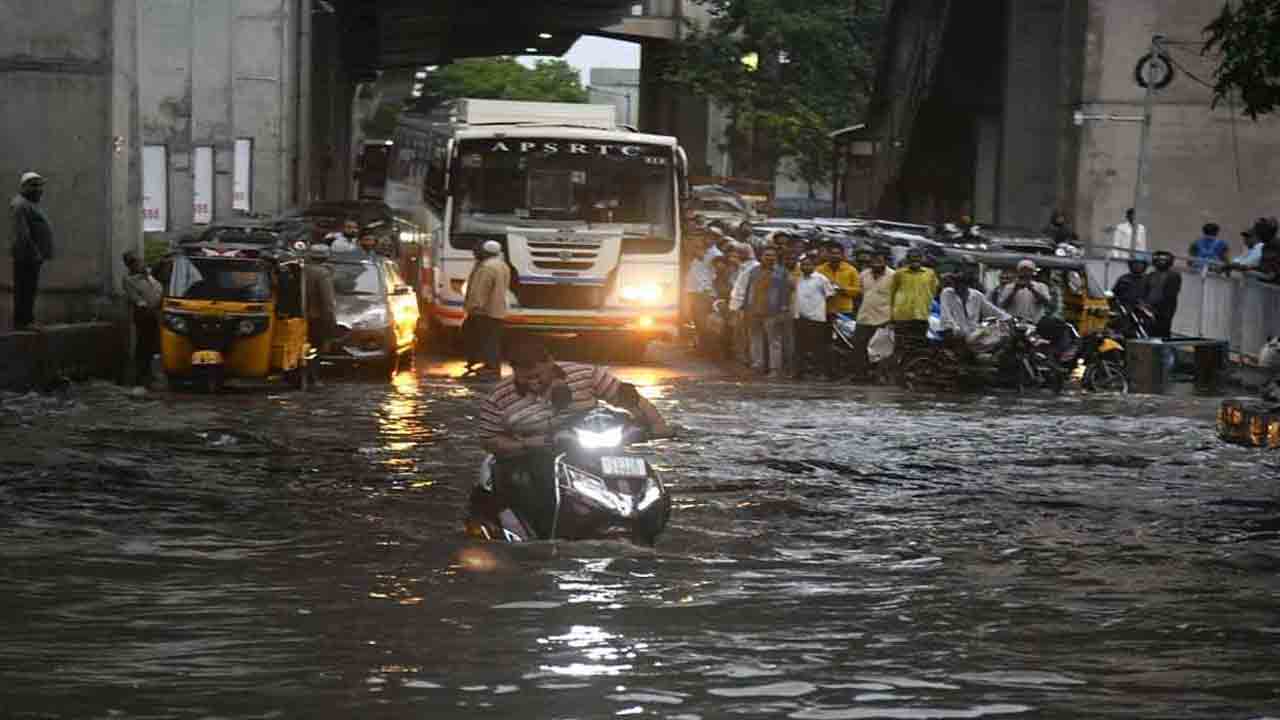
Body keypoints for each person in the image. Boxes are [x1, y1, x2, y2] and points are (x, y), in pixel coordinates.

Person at [475, 337, 671, 538]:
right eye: (526, 378)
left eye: (538, 375)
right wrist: (528, 444)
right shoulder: (498, 397)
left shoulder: (586, 375)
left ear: (551, 363)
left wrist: (657, 425)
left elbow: (630, 399)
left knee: (639, 472)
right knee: (533, 489)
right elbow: (488, 439)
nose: (533, 382)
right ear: (514, 371)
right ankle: (546, 534)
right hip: (536, 453)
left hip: (590, 446)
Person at [462, 240, 511, 380]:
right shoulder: (502, 265)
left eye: (477, 251)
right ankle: (489, 366)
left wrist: (474, 307)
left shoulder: (487, 268)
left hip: (484, 311)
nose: (475, 254)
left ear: (485, 252)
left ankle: (490, 368)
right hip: (497, 310)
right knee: (492, 340)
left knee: (485, 339)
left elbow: (480, 291)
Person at [10, 172, 52, 329]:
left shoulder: (28, 204)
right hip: (27, 257)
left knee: (29, 289)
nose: (39, 189)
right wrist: (35, 254)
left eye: (40, 185)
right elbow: (22, 234)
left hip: (31, 256)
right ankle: (23, 322)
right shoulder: (20, 205)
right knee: (25, 290)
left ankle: (26, 320)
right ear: (24, 187)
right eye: (34, 185)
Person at [744, 246, 794, 378]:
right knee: (755, 339)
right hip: (754, 309)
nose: (769, 258)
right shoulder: (754, 271)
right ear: (761, 257)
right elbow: (748, 290)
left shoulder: (782, 272)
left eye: (772, 255)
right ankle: (757, 366)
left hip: (773, 311)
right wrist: (745, 307)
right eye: (767, 255)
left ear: (776, 258)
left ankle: (775, 369)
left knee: (775, 341)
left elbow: (786, 292)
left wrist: (784, 308)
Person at [889, 247, 939, 369]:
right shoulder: (899, 273)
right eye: (912, 257)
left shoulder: (930, 273)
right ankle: (896, 373)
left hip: (921, 316)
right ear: (907, 259)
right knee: (899, 346)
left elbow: (933, 291)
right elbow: (892, 294)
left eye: (917, 257)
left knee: (918, 347)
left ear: (921, 259)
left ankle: (912, 372)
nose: (914, 260)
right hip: (902, 316)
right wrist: (891, 315)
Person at [938, 268, 1009, 352]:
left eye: (961, 284)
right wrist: (955, 329)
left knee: (1001, 333)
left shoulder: (977, 295)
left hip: (973, 334)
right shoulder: (947, 293)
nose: (957, 286)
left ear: (967, 285)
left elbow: (992, 310)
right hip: (955, 333)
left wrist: (1008, 318)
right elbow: (946, 316)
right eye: (955, 283)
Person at [121, 250, 163, 387]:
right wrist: (146, 307)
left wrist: (147, 276)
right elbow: (136, 299)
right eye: (134, 262)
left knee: (153, 343)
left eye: (139, 261)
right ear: (129, 265)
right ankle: (141, 373)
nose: (138, 264)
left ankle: (149, 372)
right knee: (143, 343)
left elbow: (158, 289)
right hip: (143, 315)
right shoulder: (129, 280)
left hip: (156, 312)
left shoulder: (149, 276)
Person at [852, 249, 894, 381]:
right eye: (874, 261)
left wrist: (893, 319)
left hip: (883, 319)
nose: (876, 264)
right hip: (864, 317)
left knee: (880, 351)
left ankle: (878, 376)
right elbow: (859, 294)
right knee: (859, 346)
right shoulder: (864, 274)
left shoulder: (894, 276)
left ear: (885, 262)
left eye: (879, 261)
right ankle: (861, 375)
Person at [793, 253, 836, 379]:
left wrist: (828, 312)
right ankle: (800, 372)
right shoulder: (798, 278)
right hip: (800, 318)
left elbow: (830, 295)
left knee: (818, 348)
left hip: (816, 319)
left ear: (814, 266)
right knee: (800, 347)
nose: (806, 267)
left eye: (809, 264)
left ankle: (820, 372)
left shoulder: (821, 279)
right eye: (803, 264)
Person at [304, 244, 337, 384]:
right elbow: (327, 302)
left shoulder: (302, 270)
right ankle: (313, 377)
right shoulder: (323, 274)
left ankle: (305, 375)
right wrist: (331, 322)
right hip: (316, 318)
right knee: (315, 349)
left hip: (299, 316)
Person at [728, 243, 758, 366]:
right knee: (740, 334)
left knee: (749, 335)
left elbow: (748, 290)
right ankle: (743, 358)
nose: (737, 255)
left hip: (746, 307)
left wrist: (741, 307)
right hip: (737, 306)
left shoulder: (754, 267)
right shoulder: (741, 267)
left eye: (739, 252)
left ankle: (751, 359)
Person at [996, 259, 1053, 323]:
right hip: (1013, 323)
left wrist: (1032, 290)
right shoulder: (1009, 287)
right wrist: (1014, 290)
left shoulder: (1041, 286)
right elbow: (1002, 305)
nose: (1025, 273)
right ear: (1018, 272)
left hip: (1035, 322)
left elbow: (1046, 303)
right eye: (1022, 270)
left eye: (1028, 270)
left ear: (1032, 272)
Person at [1140, 250, 1181, 338]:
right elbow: (1144, 291)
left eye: (1164, 260)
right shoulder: (1150, 275)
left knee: (1162, 333)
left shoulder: (1174, 276)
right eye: (1159, 260)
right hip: (1148, 309)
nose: (1161, 262)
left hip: (1164, 311)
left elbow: (1170, 295)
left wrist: (1156, 307)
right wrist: (1144, 304)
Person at [817, 240, 861, 319]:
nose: (835, 256)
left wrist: (842, 289)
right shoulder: (819, 270)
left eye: (837, 253)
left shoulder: (851, 270)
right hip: (824, 310)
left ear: (842, 255)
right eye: (832, 253)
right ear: (828, 255)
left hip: (844, 311)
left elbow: (857, 291)